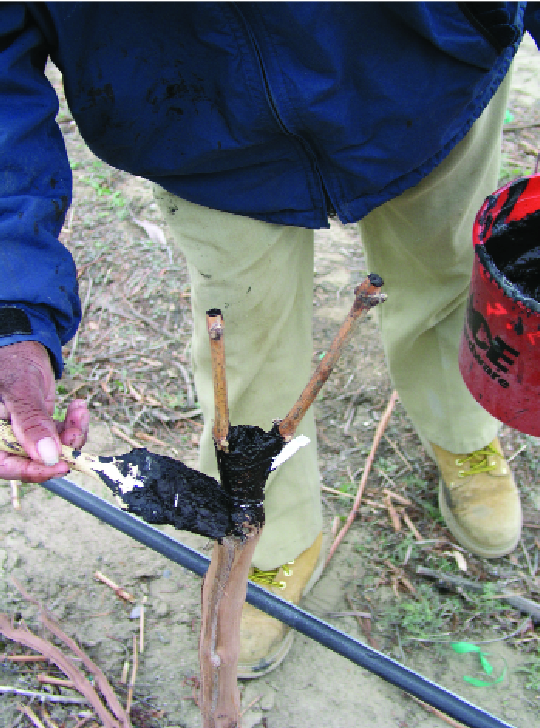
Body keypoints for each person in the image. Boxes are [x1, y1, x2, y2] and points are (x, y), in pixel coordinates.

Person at [1, 3, 538, 678]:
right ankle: (273, 532)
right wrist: (10, 305)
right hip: (190, 112)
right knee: (245, 352)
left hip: (423, 65)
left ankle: (465, 436)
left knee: (450, 274)